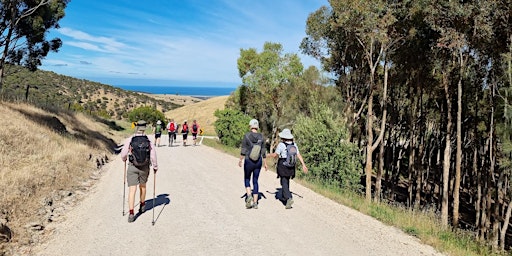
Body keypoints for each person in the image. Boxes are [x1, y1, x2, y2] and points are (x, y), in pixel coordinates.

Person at [120, 120, 158, 223]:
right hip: (145, 167)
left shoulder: (130, 139)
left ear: (136, 127)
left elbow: (123, 154)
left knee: (132, 190)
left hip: (133, 166)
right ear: (145, 128)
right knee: (143, 186)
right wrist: (155, 166)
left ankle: (131, 213)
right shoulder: (148, 140)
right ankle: (142, 205)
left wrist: (124, 159)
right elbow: (153, 155)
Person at [268, 128, 308, 209]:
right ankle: (284, 196)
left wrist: (269, 155)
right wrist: (303, 164)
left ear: (283, 137)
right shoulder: (294, 144)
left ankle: (288, 198)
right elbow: (298, 155)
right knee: (286, 180)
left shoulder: (281, 145)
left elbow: (276, 155)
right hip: (291, 166)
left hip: (283, 164)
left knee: (283, 181)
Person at [238, 119, 267, 209]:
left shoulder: (247, 136)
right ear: (257, 127)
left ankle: (249, 194)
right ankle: (255, 203)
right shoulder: (261, 137)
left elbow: (243, 149)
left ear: (250, 126)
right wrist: (265, 163)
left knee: (247, 178)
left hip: (248, 160)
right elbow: (263, 151)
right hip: (258, 161)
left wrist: (240, 160)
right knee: (255, 181)